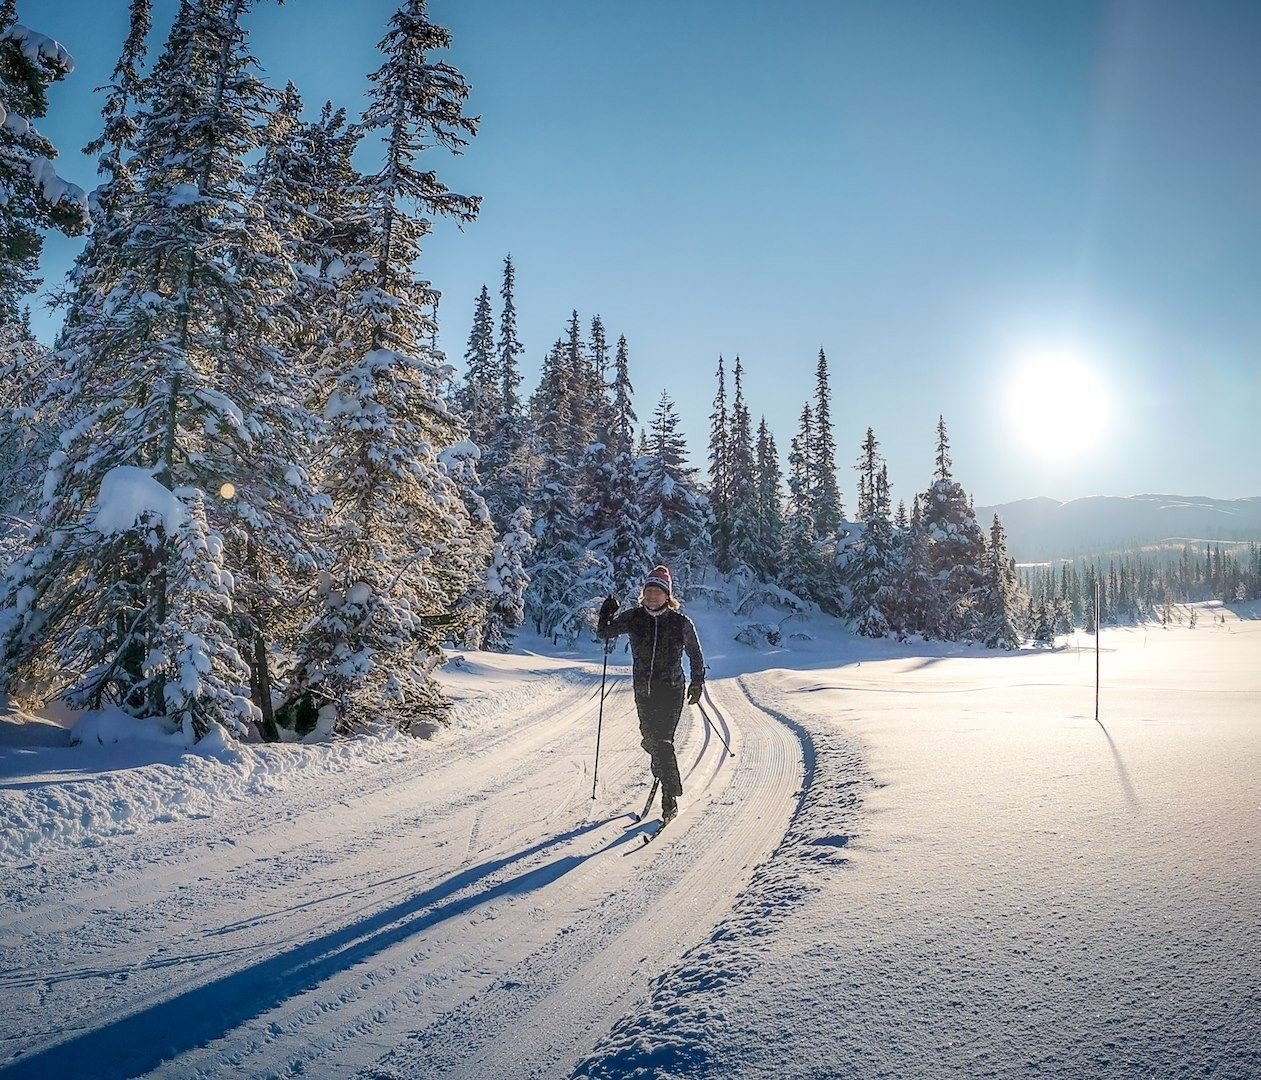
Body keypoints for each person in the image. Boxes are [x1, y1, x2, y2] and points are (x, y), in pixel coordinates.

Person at [597, 565, 705, 823]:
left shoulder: (680, 623)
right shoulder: (634, 617)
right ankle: (662, 768)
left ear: (668, 596)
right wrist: (606, 612)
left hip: (671, 689)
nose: (653, 596)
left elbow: (695, 654)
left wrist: (697, 682)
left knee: (663, 741)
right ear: (643, 593)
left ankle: (670, 796)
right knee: (649, 740)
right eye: (649, 591)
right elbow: (606, 632)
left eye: (658, 591)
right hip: (644, 691)